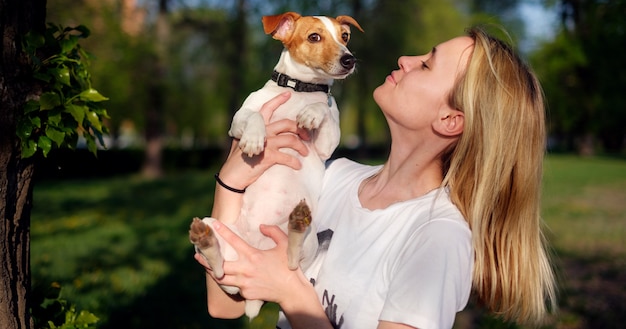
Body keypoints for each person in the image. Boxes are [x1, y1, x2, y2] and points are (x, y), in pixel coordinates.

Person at [195, 26, 558, 329]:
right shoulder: (333, 178)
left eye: (427, 65)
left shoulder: (436, 238)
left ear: (450, 120)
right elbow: (225, 307)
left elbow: (277, 290)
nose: (406, 59)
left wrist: (290, 292)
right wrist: (231, 180)